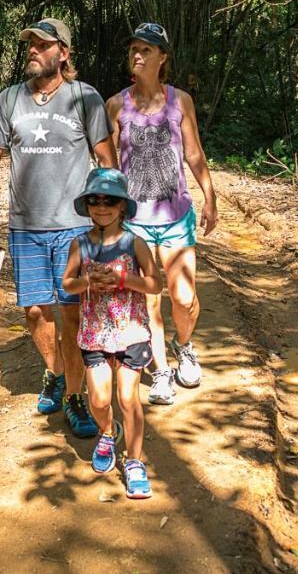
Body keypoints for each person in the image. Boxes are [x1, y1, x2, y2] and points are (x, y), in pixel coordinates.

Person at [0, 17, 116, 439]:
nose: (33, 50)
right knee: (34, 311)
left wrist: (115, 219)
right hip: (26, 226)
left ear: (63, 54)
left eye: (42, 45)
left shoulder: (84, 98)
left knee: (71, 314)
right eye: (29, 45)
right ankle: (53, 372)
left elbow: (106, 159)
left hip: (74, 226)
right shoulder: (9, 100)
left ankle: (74, 397)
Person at [105, 23, 218, 406]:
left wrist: (210, 196)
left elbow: (194, 153)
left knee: (184, 299)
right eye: (134, 49)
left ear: (163, 57)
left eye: (147, 50)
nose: (138, 55)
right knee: (149, 300)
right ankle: (162, 371)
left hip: (175, 214)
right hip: (135, 220)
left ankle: (183, 343)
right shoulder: (116, 105)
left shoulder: (179, 101)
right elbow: (109, 163)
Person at [62, 168, 161, 499]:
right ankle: (107, 432)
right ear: (87, 205)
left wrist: (122, 280)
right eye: (95, 200)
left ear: (123, 206)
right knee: (100, 400)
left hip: (131, 333)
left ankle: (134, 461)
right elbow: (67, 283)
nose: (101, 207)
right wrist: (89, 282)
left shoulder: (135, 243)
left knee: (127, 397)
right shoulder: (81, 245)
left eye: (110, 201)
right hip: (95, 334)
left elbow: (154, 283)